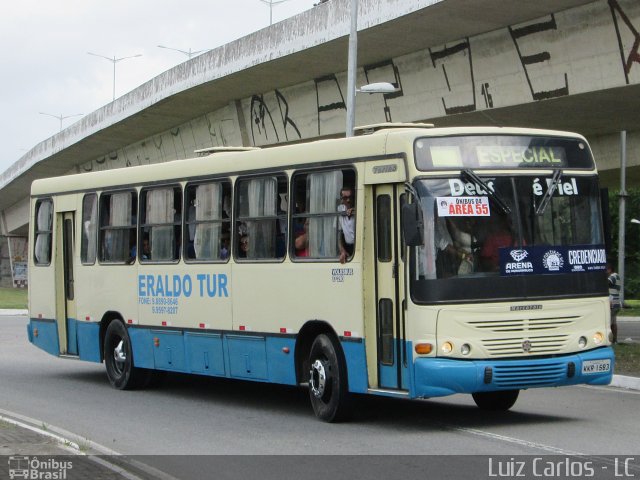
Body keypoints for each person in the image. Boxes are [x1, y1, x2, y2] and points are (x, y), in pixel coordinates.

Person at [338, 187, 355, 264]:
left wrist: (355, 209)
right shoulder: (339, 209)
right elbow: (338, 233)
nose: (348, 200)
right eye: (345, 198)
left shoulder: (358, 207)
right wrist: (342, 250)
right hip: (347, 247)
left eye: (350, 197)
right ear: (341, 199)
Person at [608, 262, 621, 343]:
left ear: (609, 269)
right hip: (616, 301)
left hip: (612, 301)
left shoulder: (613, 276)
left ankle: (611, 340)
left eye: (606, 270)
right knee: (613, 322)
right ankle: (615, 340)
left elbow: (605, 283)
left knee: (609, 322)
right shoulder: (616, 276)